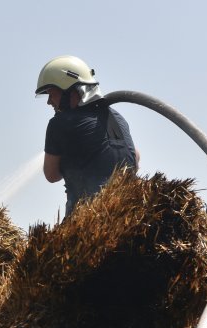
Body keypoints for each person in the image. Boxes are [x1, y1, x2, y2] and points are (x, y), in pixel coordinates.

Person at [36, 55, 140, 216]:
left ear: (70, 91)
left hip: (90, 217)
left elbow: (51, 175)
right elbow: (136, 157)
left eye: (52, 94)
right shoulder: (117, 117)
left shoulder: (60, 123)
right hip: (131, 211)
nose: (49, 102)